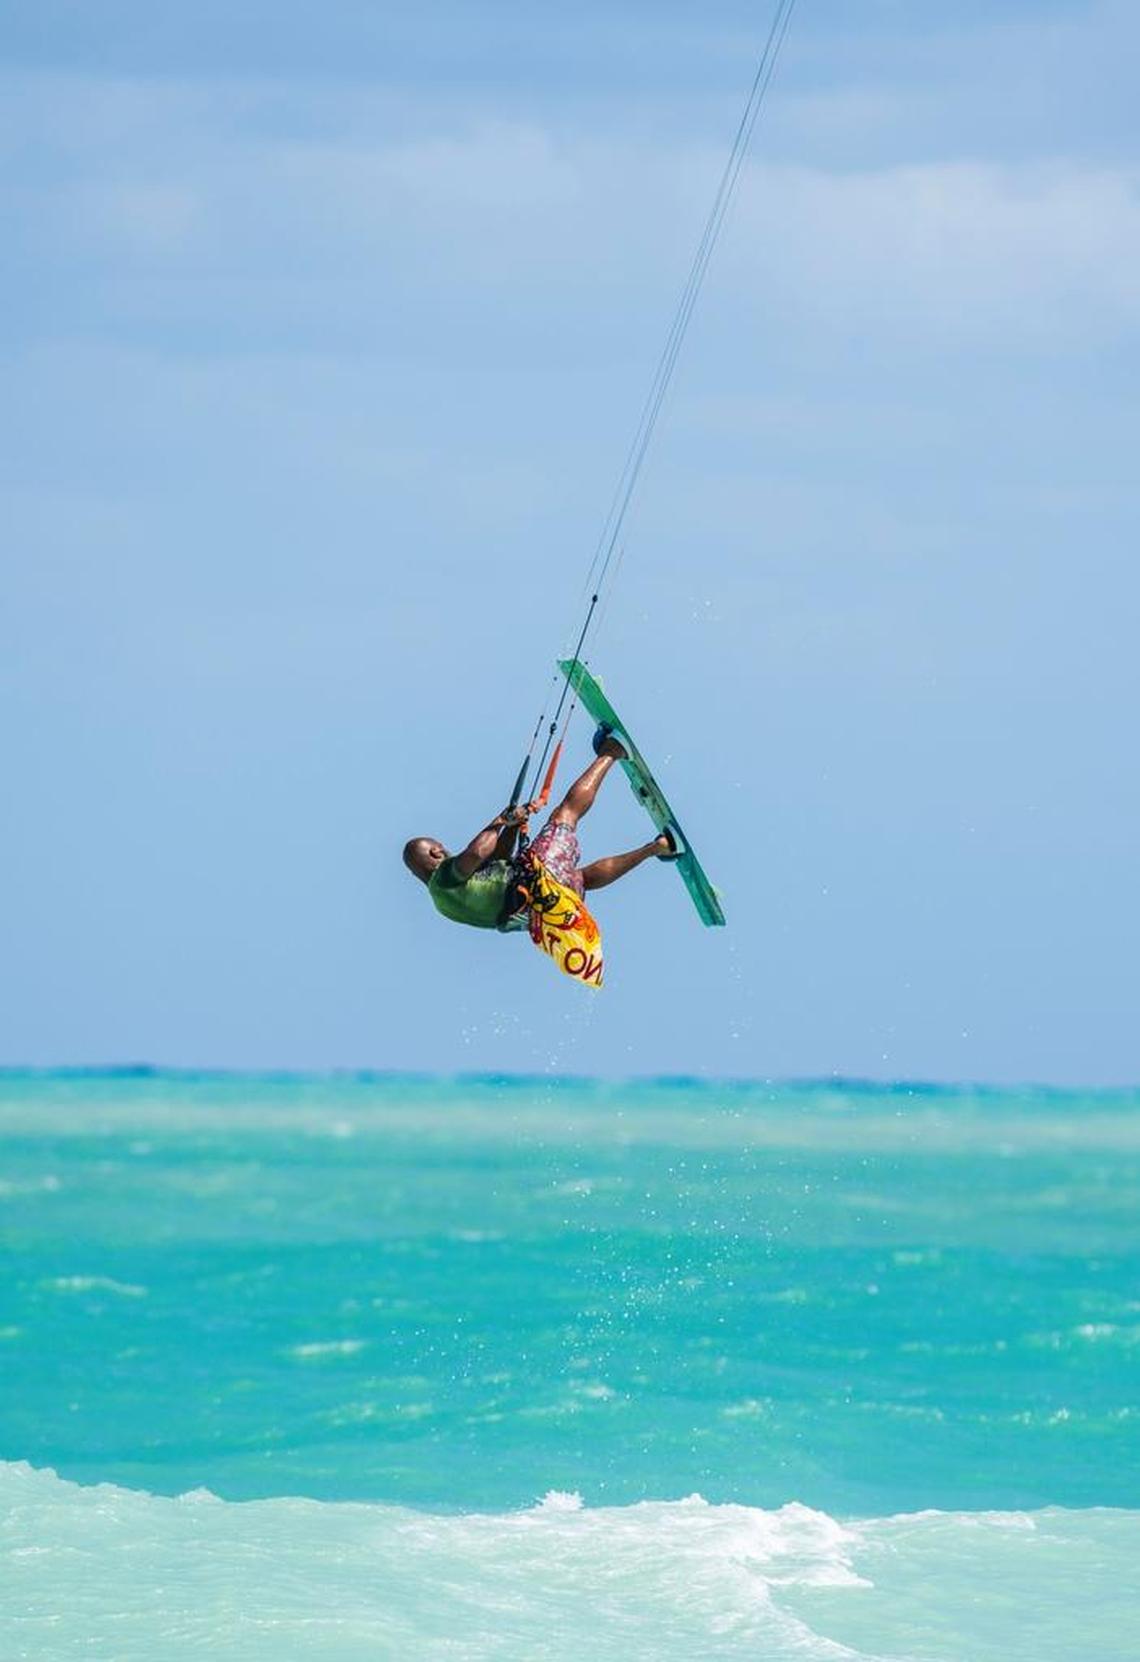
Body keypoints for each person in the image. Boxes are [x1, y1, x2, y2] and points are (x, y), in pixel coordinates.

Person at [403, 731, 677, 933]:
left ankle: (657, 848)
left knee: (581, 879)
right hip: (537, 882)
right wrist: (500, 821)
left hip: (547, 911)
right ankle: (613, 751)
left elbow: (495, 862)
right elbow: (477, 852)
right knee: (565, 815)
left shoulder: (445, 903)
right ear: (435, 852)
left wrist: (511, 827)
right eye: (442, 846)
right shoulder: (443, 877)